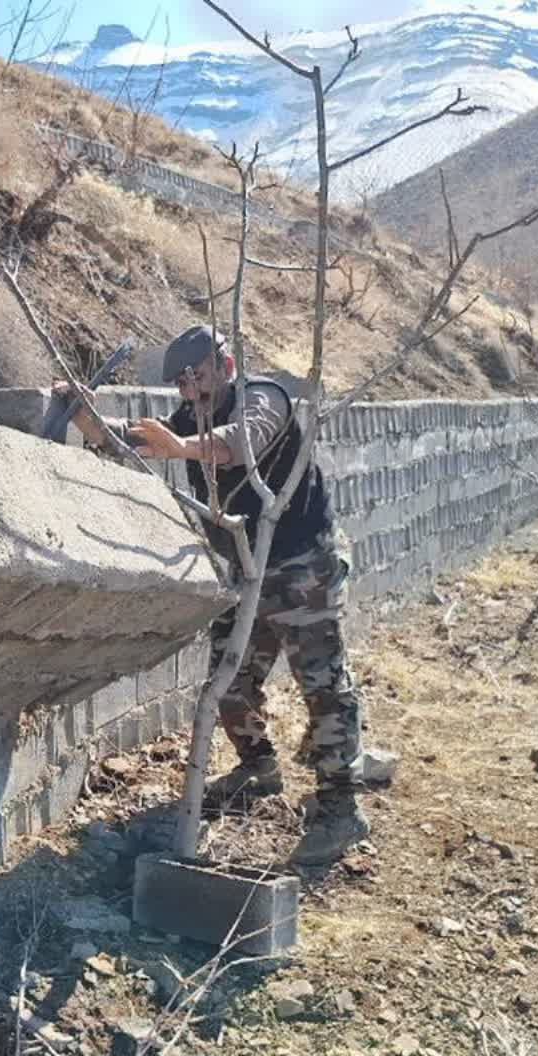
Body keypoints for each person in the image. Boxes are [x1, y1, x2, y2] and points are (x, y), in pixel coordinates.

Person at [57, 325, 369, 867]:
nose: (188, 391)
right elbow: (136, 441)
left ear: (225, 366)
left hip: (303, 568)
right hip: (248, 571)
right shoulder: (191, 417)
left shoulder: (263, 397)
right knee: (230, 679)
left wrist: (182, 447)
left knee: (322, 686)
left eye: (196, 377)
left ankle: (341, 810)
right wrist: (87, 420)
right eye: (181, 383)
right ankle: (258, 767)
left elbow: (241, 442)